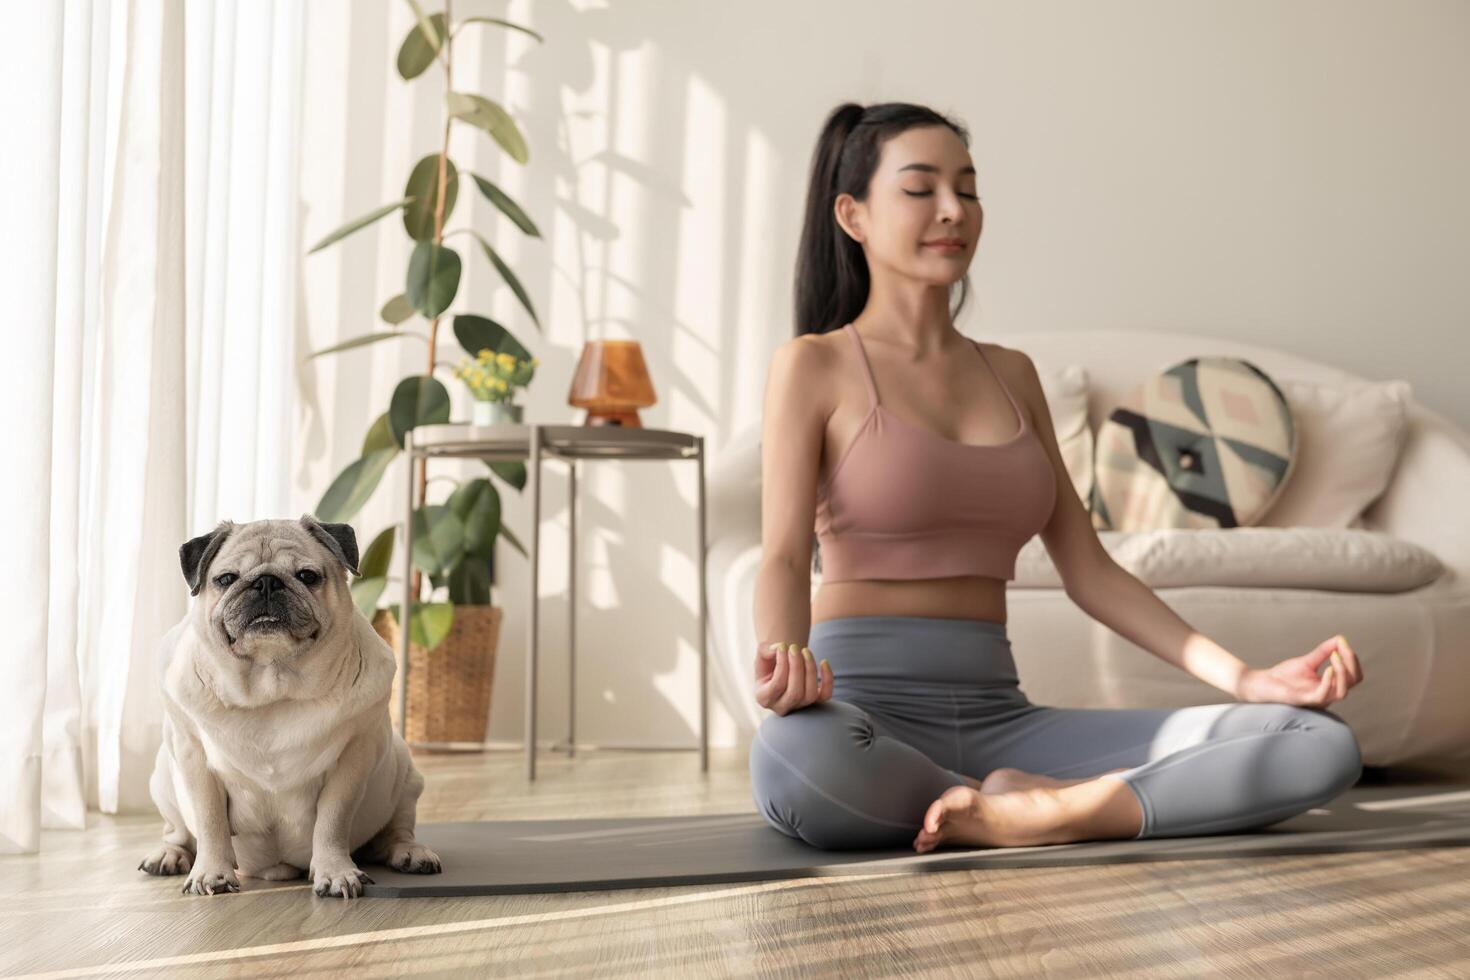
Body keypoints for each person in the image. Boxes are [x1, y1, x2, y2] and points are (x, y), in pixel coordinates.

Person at [749, 101, 1365, 853]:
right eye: (921, 189)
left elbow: (1092, 571)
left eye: (968, 189)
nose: (954, 210)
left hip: (1005, 718)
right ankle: (1016, 804)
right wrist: (788, 670)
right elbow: (782, 554)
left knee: (1313, 740)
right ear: (853, 216)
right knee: (789, 760)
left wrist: (1246, 680)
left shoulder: (1011, 374)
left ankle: (1050, 812)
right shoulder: (814, 365)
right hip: (864, 714)